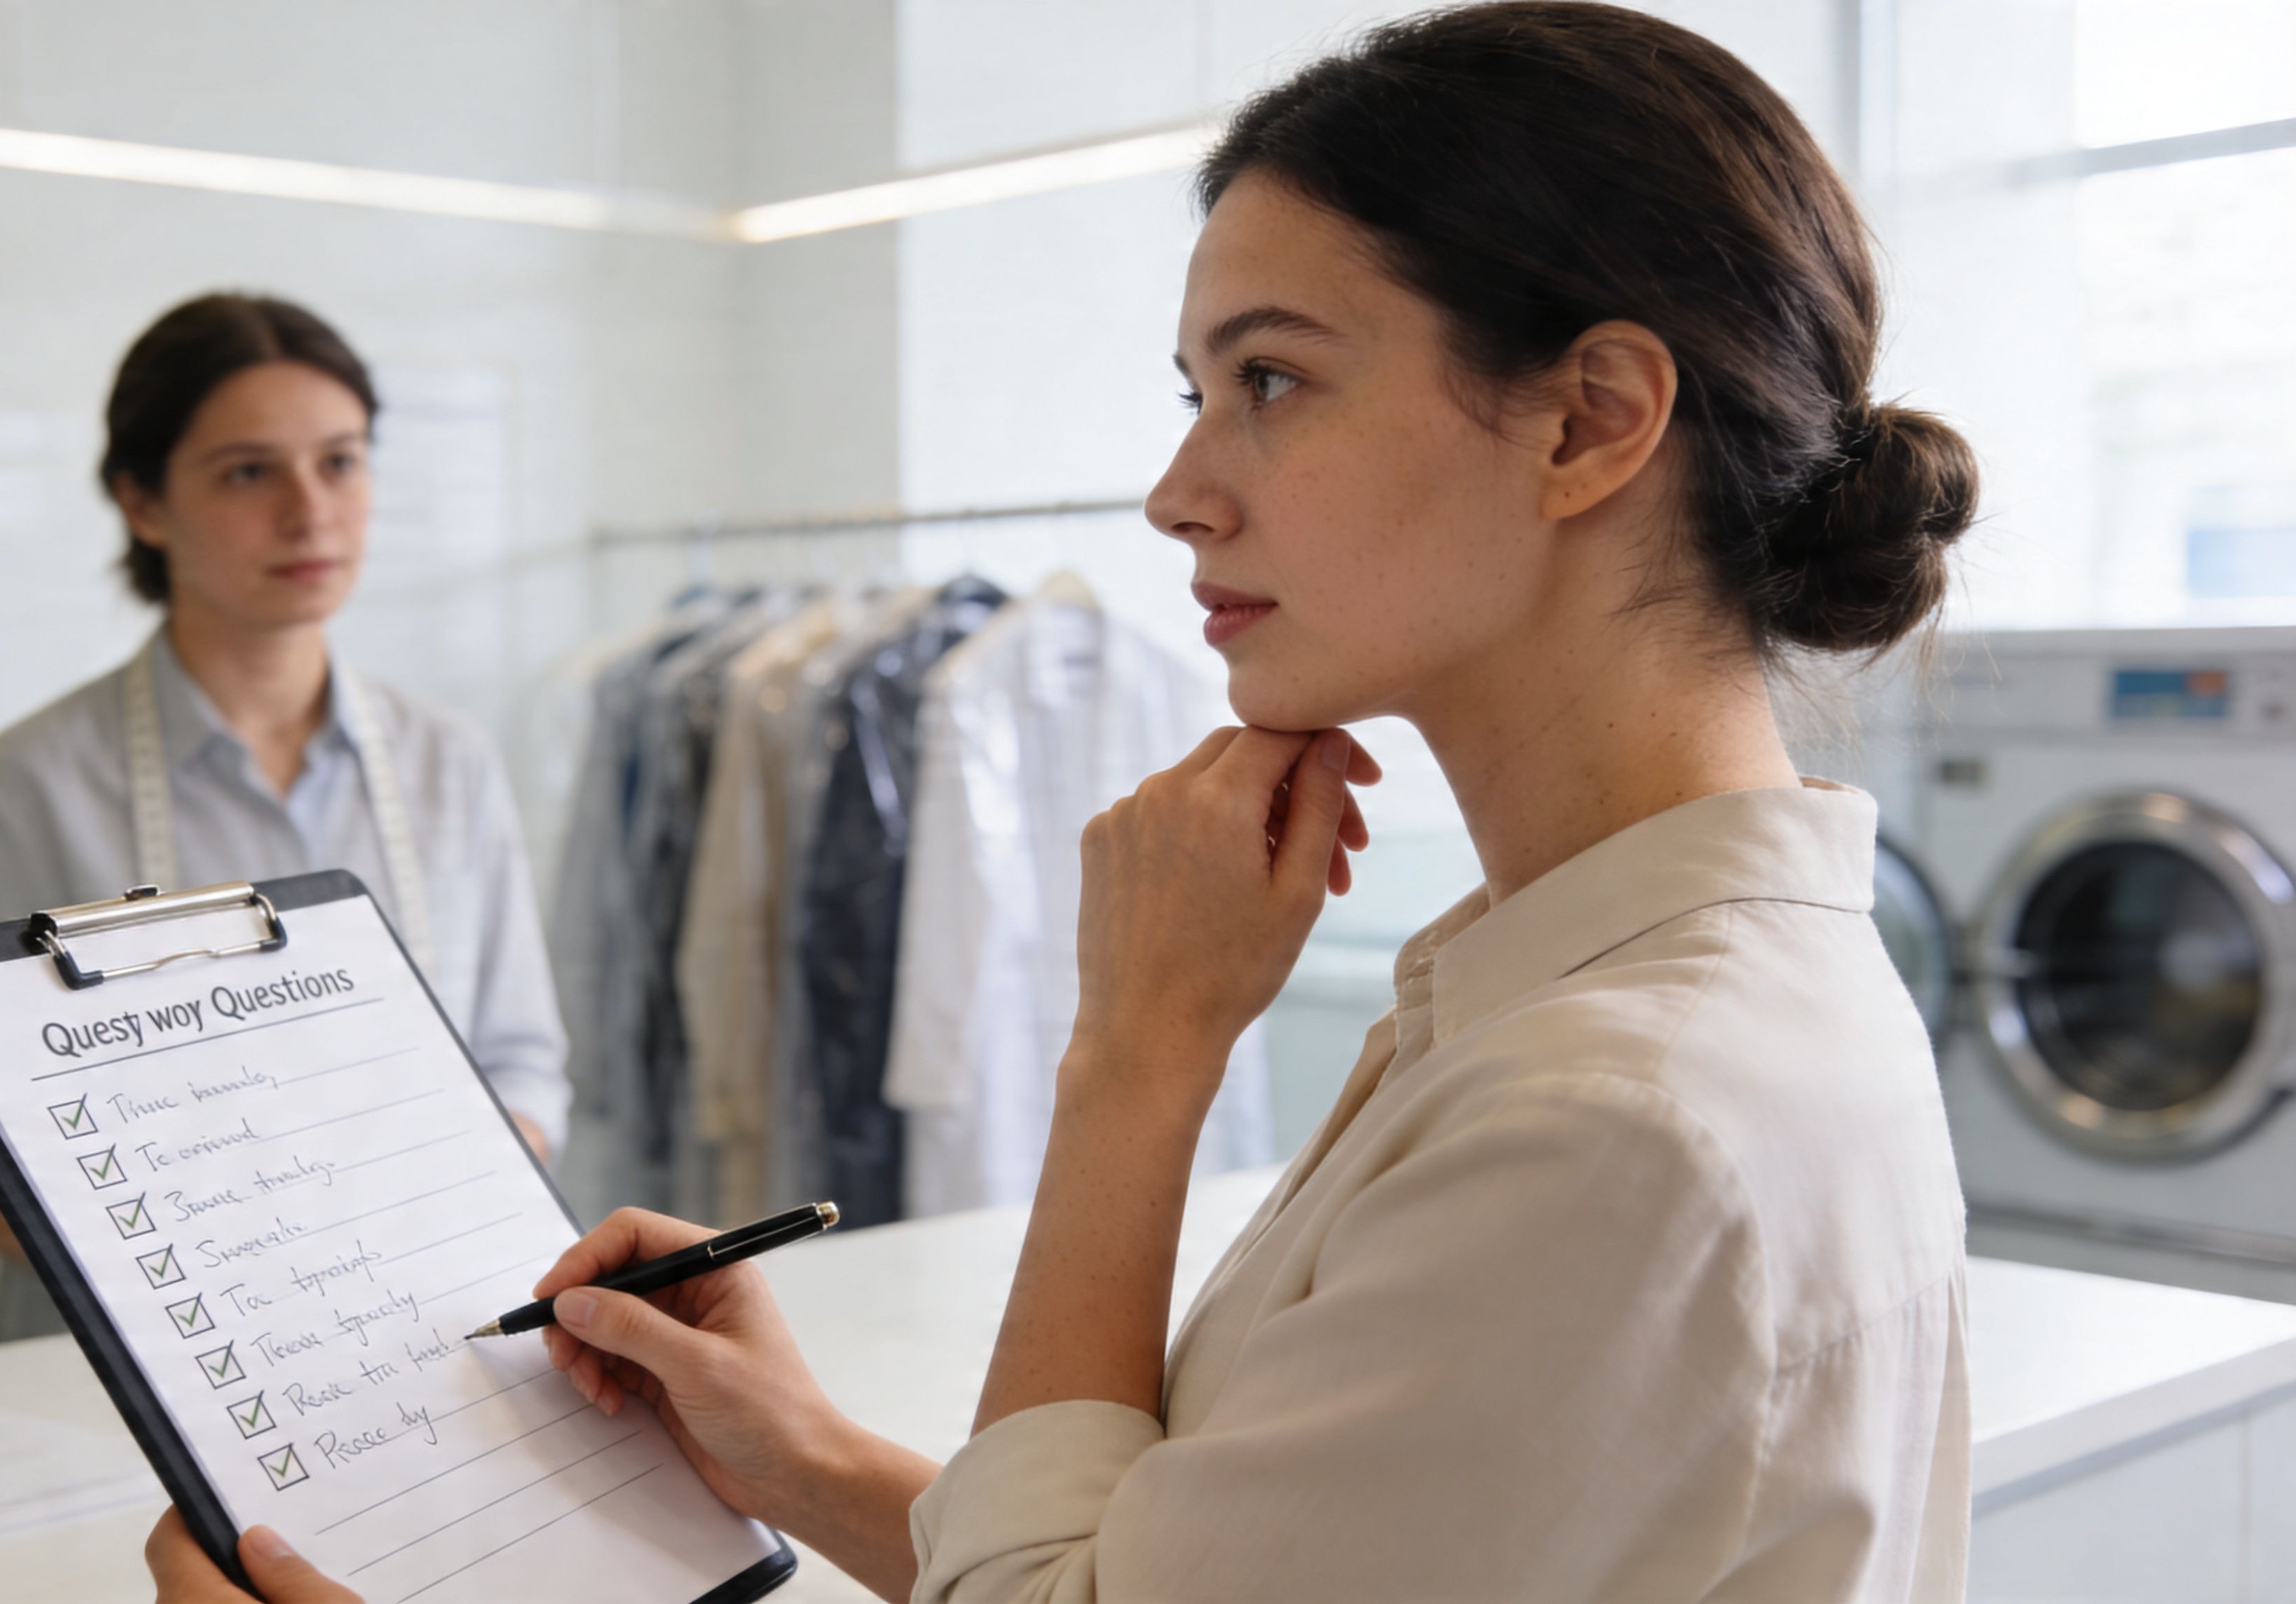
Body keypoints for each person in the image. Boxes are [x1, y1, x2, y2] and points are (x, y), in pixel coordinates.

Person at [148, 4, 1974, 1598]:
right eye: (1196, 392)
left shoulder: (1611, 1122)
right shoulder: (1652, 1009)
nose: (1180, 490)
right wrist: (800, 1459)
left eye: (1269, 381)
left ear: (1588, 421)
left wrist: (1137, 1056)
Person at [0, 293, 569, 1342]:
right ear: (144, 502)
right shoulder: (30, 785)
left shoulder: (451, 760)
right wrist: (229, 1256)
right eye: (250, 472)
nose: (311, 513)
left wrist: (444, 1186)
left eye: (341, 462)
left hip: (422, 1334)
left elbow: (523, 1061)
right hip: (138, 1367)